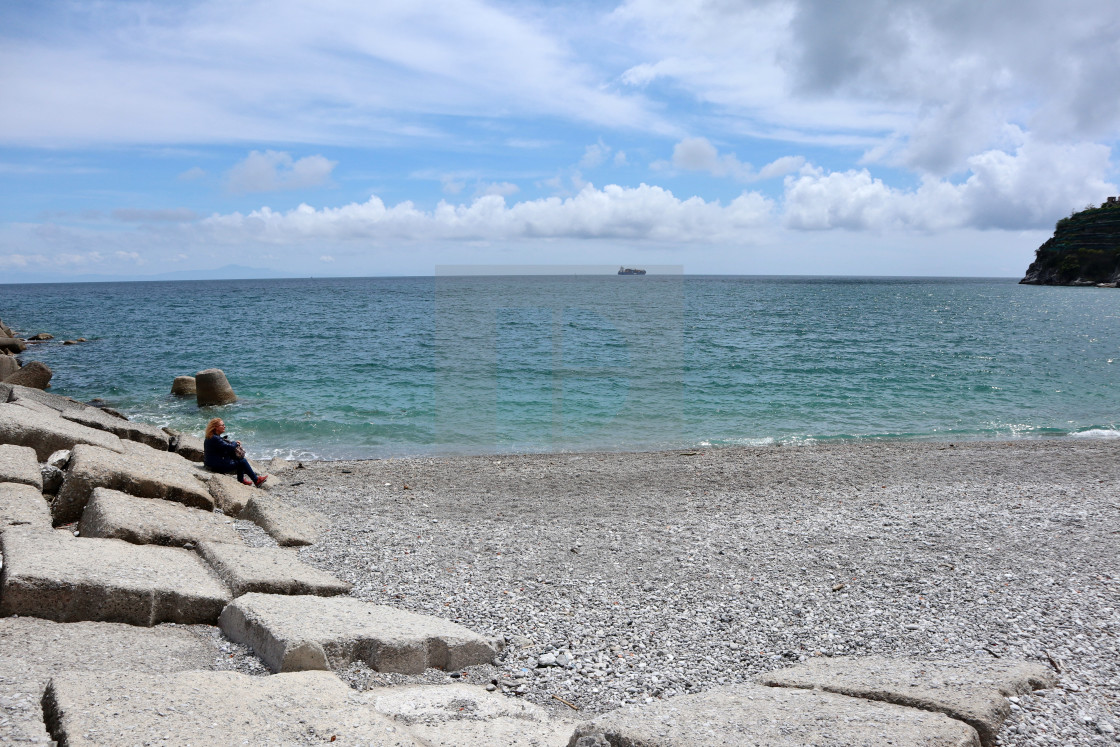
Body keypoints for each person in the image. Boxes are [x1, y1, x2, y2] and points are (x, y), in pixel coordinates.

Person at [203, 418, 267, 487]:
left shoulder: (212, 436)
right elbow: (230, 447)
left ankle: (241, 480)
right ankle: (256, 480)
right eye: (222, 425)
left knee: (238, 459)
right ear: (216, 427)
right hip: (215, 466)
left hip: (211, 463)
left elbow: (224, 448)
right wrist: (235, 443)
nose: (225, 426)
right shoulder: (215, 438)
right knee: (243, 461)